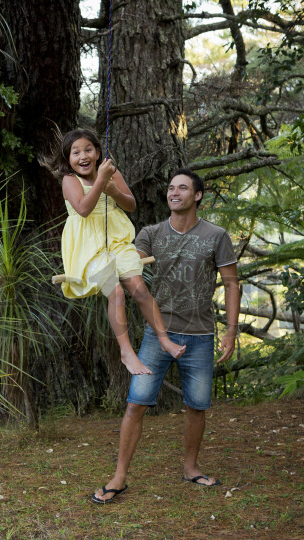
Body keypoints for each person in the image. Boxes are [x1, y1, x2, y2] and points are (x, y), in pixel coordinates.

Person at [92, 168, 241, 504]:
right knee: (135, 403)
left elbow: (231, 284)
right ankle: (119, 477)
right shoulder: (151, 233)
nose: (174, 193)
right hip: (156, 336)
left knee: (197, 405)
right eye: (171, 188)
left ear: (197, 195)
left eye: (183, 188)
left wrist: (230, 332)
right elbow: (124, 261)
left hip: (200, 335)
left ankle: (190, 467)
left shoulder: (216, 235)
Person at [51, 129, 186, 375]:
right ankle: (126, 352)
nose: (83, 156)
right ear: (68, 158)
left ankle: (164, 339)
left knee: (139, 288)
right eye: (76, 152)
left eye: (88, 150)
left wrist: (113, 190)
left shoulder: (111, 173)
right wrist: (101, 182)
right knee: (116, 293)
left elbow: (130, 205)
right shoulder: (70, 180)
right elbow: (82, 208)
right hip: (88, 248)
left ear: (98, 152)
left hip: (117, 241)